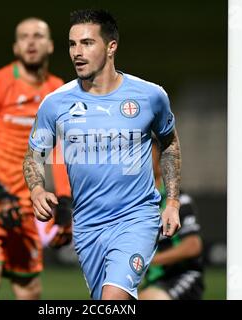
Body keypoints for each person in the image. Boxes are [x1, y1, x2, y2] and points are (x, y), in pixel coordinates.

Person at [23, 9, 182, 300]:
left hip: (137, 218)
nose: (76, 53)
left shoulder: (149, 96)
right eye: (72, 44)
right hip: (87, 226)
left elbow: (169, 143)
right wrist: (36, 190)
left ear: (111, 47)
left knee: (113, 298)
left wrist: (171, 201)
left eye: (87, 43)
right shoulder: (56, 103)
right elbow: (34, 154)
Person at [0, 17, 72, 300]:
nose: (31, 42)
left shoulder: (58, 90)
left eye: (38, 36)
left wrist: (66, 200)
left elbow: (59, 151)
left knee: (29, 289)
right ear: (15, 47)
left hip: (24, 202)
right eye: (24, 37)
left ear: (50, 46)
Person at [139, 136, 204, 300]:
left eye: (147, 155)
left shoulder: (177, 200)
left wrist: (151, 261)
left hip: (182, 277)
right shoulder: (133, 203)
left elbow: (193, 246)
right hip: (153, 282)